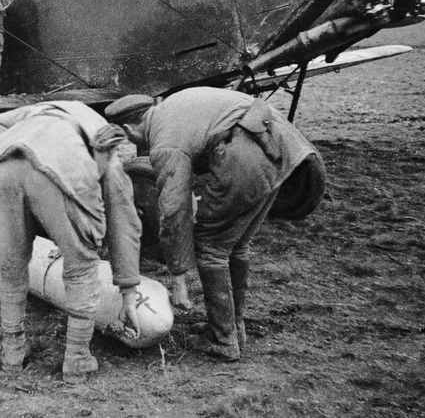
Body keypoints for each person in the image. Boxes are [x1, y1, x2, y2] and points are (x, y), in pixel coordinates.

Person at [105, 88, 327, 362]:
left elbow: (174, 209)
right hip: (286, 145)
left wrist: (178, 276)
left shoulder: (165, 143)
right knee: (236, 243)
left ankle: (222, 340)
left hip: (246, 155)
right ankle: (233, 328)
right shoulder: (174, 104)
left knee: (210, 245)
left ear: (129, 127)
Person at [0, 101, 143, 382]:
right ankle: (77, 360)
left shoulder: (44, 108)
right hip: (57, 167)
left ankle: (12, 355)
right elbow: (124, 222)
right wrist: (129, 291)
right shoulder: (108, 154)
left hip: (1, 165)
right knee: (82, 267)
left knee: (11, 266)